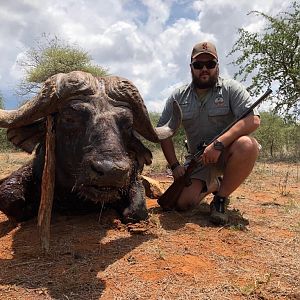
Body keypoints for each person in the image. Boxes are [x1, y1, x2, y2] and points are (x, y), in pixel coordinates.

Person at [157, 41, 261, 225]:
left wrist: (218, 144)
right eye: (198, 65)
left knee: (247, 145)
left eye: (210, 64)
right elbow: (163, 132)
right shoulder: (178, 96)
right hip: (199, 160)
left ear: (217, 66)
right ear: (191, 68)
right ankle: (215, 183)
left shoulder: (231, 88)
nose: (204, 69)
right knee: (183, 204)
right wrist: (174, 166)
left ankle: (220, 199)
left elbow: (253, 120)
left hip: (227, 154)